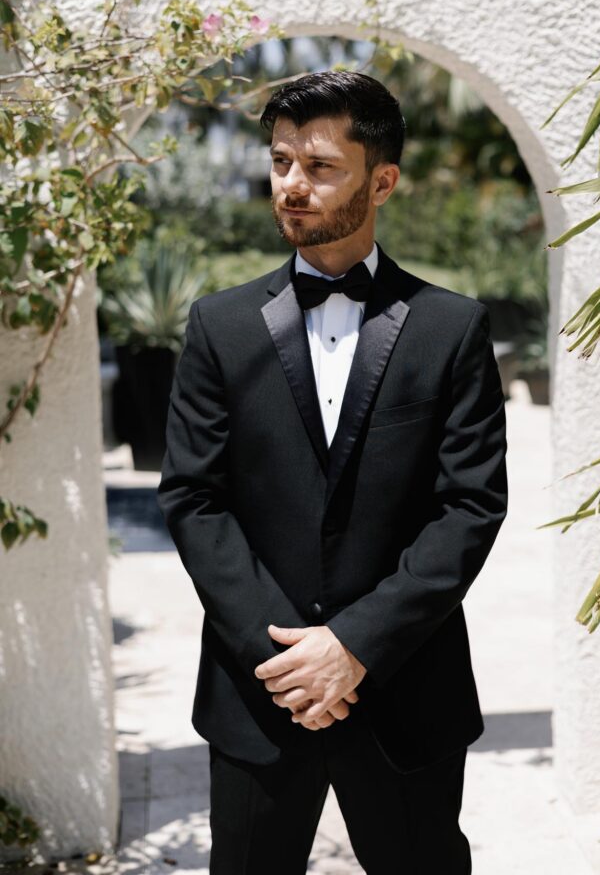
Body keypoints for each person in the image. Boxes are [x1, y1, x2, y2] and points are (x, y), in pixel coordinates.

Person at [156, 69, 508, 874]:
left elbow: (470, 507)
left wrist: (354, 645)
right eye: (281, 162)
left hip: (405, 688)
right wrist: (291, 662)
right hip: (261, 689)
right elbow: (194, 498)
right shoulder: (218, 326)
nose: (291, 185)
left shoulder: (452, 329)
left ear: (382, 182)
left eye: (319, 167)